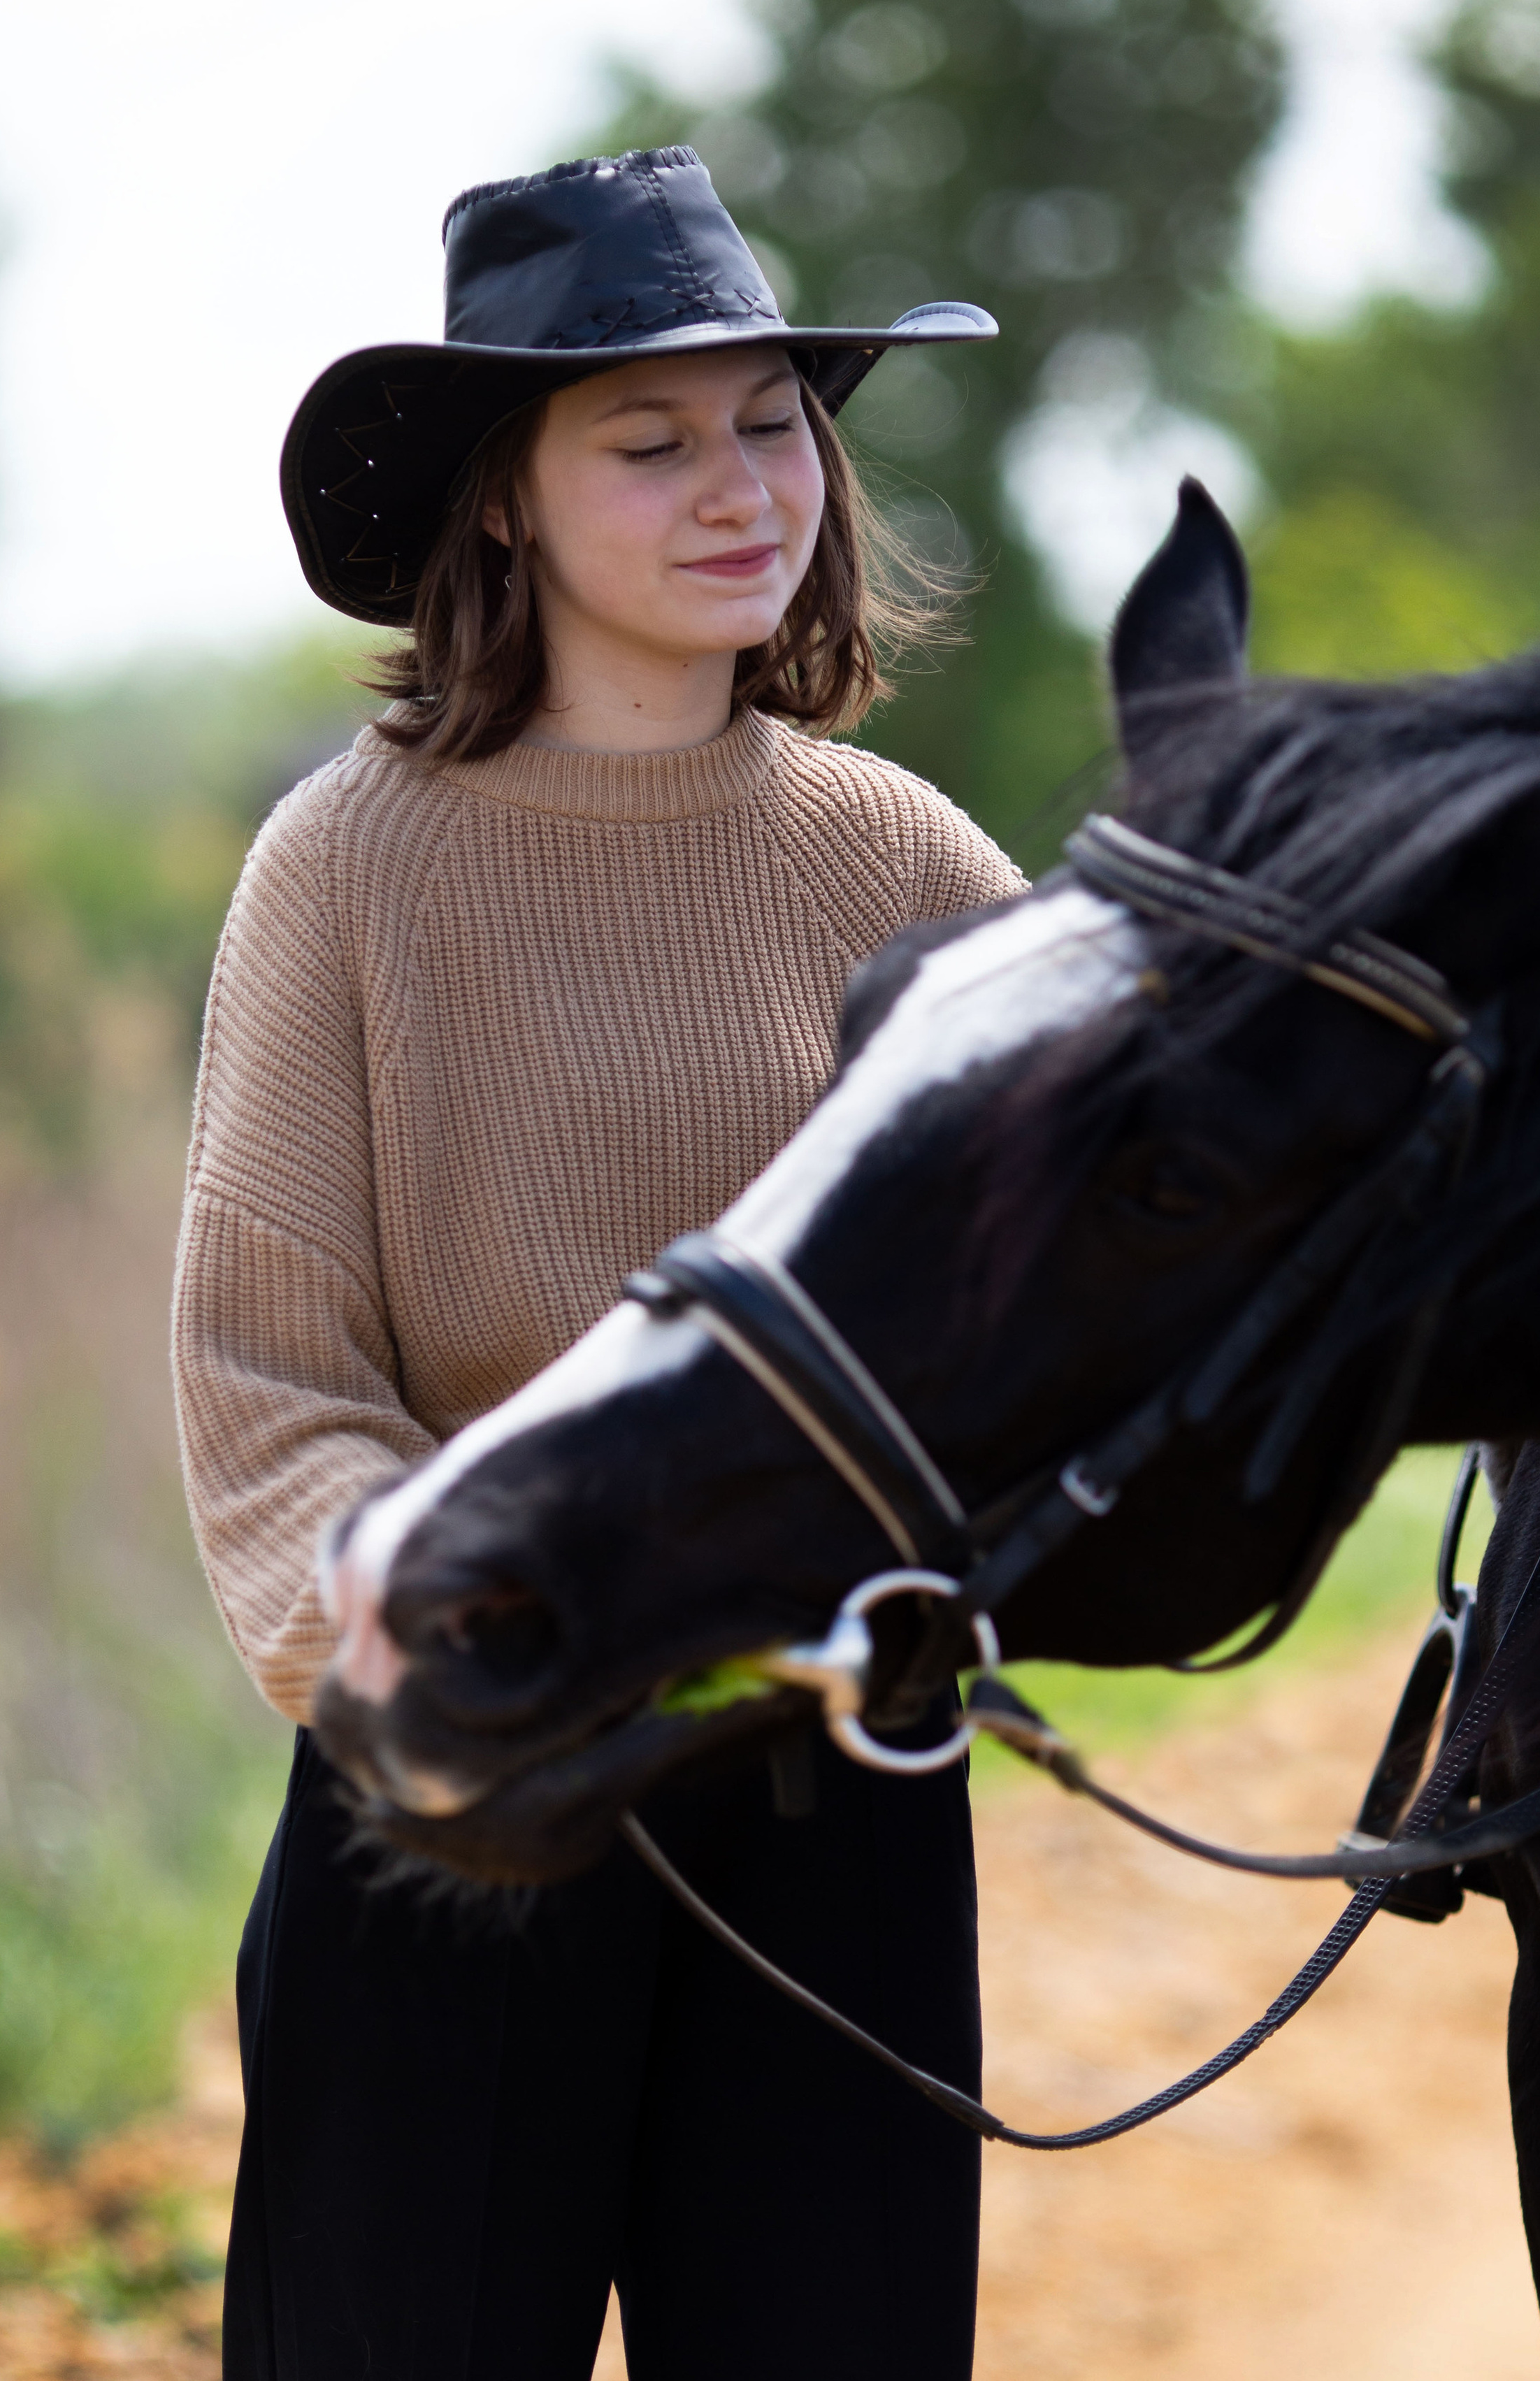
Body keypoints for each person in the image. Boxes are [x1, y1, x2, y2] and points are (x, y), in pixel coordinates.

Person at [172, 147, 1023, 2381]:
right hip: (455, 1815)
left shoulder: (911, 863)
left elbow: (1065, 1316)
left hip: (829, 1798)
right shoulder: (345, 867)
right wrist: (444, 1690)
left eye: (773, 424)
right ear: (500, 506)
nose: (742, 488)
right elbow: (272, 1388)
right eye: (649, 442)